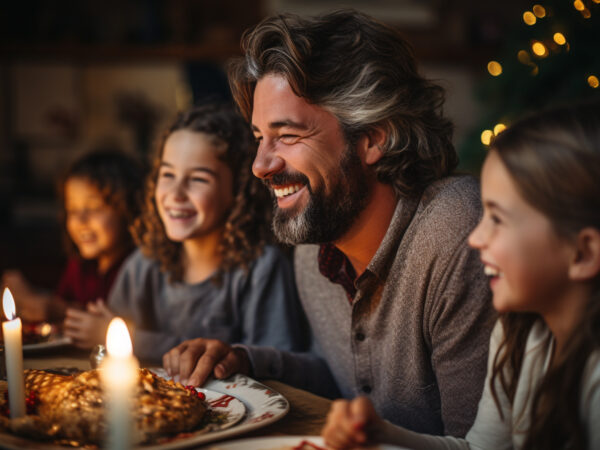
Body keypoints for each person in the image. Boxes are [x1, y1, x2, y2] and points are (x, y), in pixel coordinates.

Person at [163, 9, 494, 437]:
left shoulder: (455, 231)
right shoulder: (314, 248)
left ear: (375, 137)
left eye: (288, 135)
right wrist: (245, 360)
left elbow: (478, 443)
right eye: (260, 137)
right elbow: (348, 381)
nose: (260, 165)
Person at [321, 100, 600, 450]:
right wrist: (383, 435)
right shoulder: (517, 334)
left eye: (497, 219)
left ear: (584, 253)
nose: (475, 237)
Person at [68, 103, 308, 363]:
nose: (176, 194)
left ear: (238, 191)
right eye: (167, 175)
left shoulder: (262, 270)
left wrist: (139, 340)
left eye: (198, 179)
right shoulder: (141, 267)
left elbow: (273, 367)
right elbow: (107, 355)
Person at [2, 150, 143, 333]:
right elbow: (59, 305)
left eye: (94, 208)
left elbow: (124, 325)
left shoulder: (139, 269)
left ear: (128, 210)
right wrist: (27, 299)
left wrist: (60, 311)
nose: (81, 220)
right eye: (72, 210)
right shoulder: (79, 266)